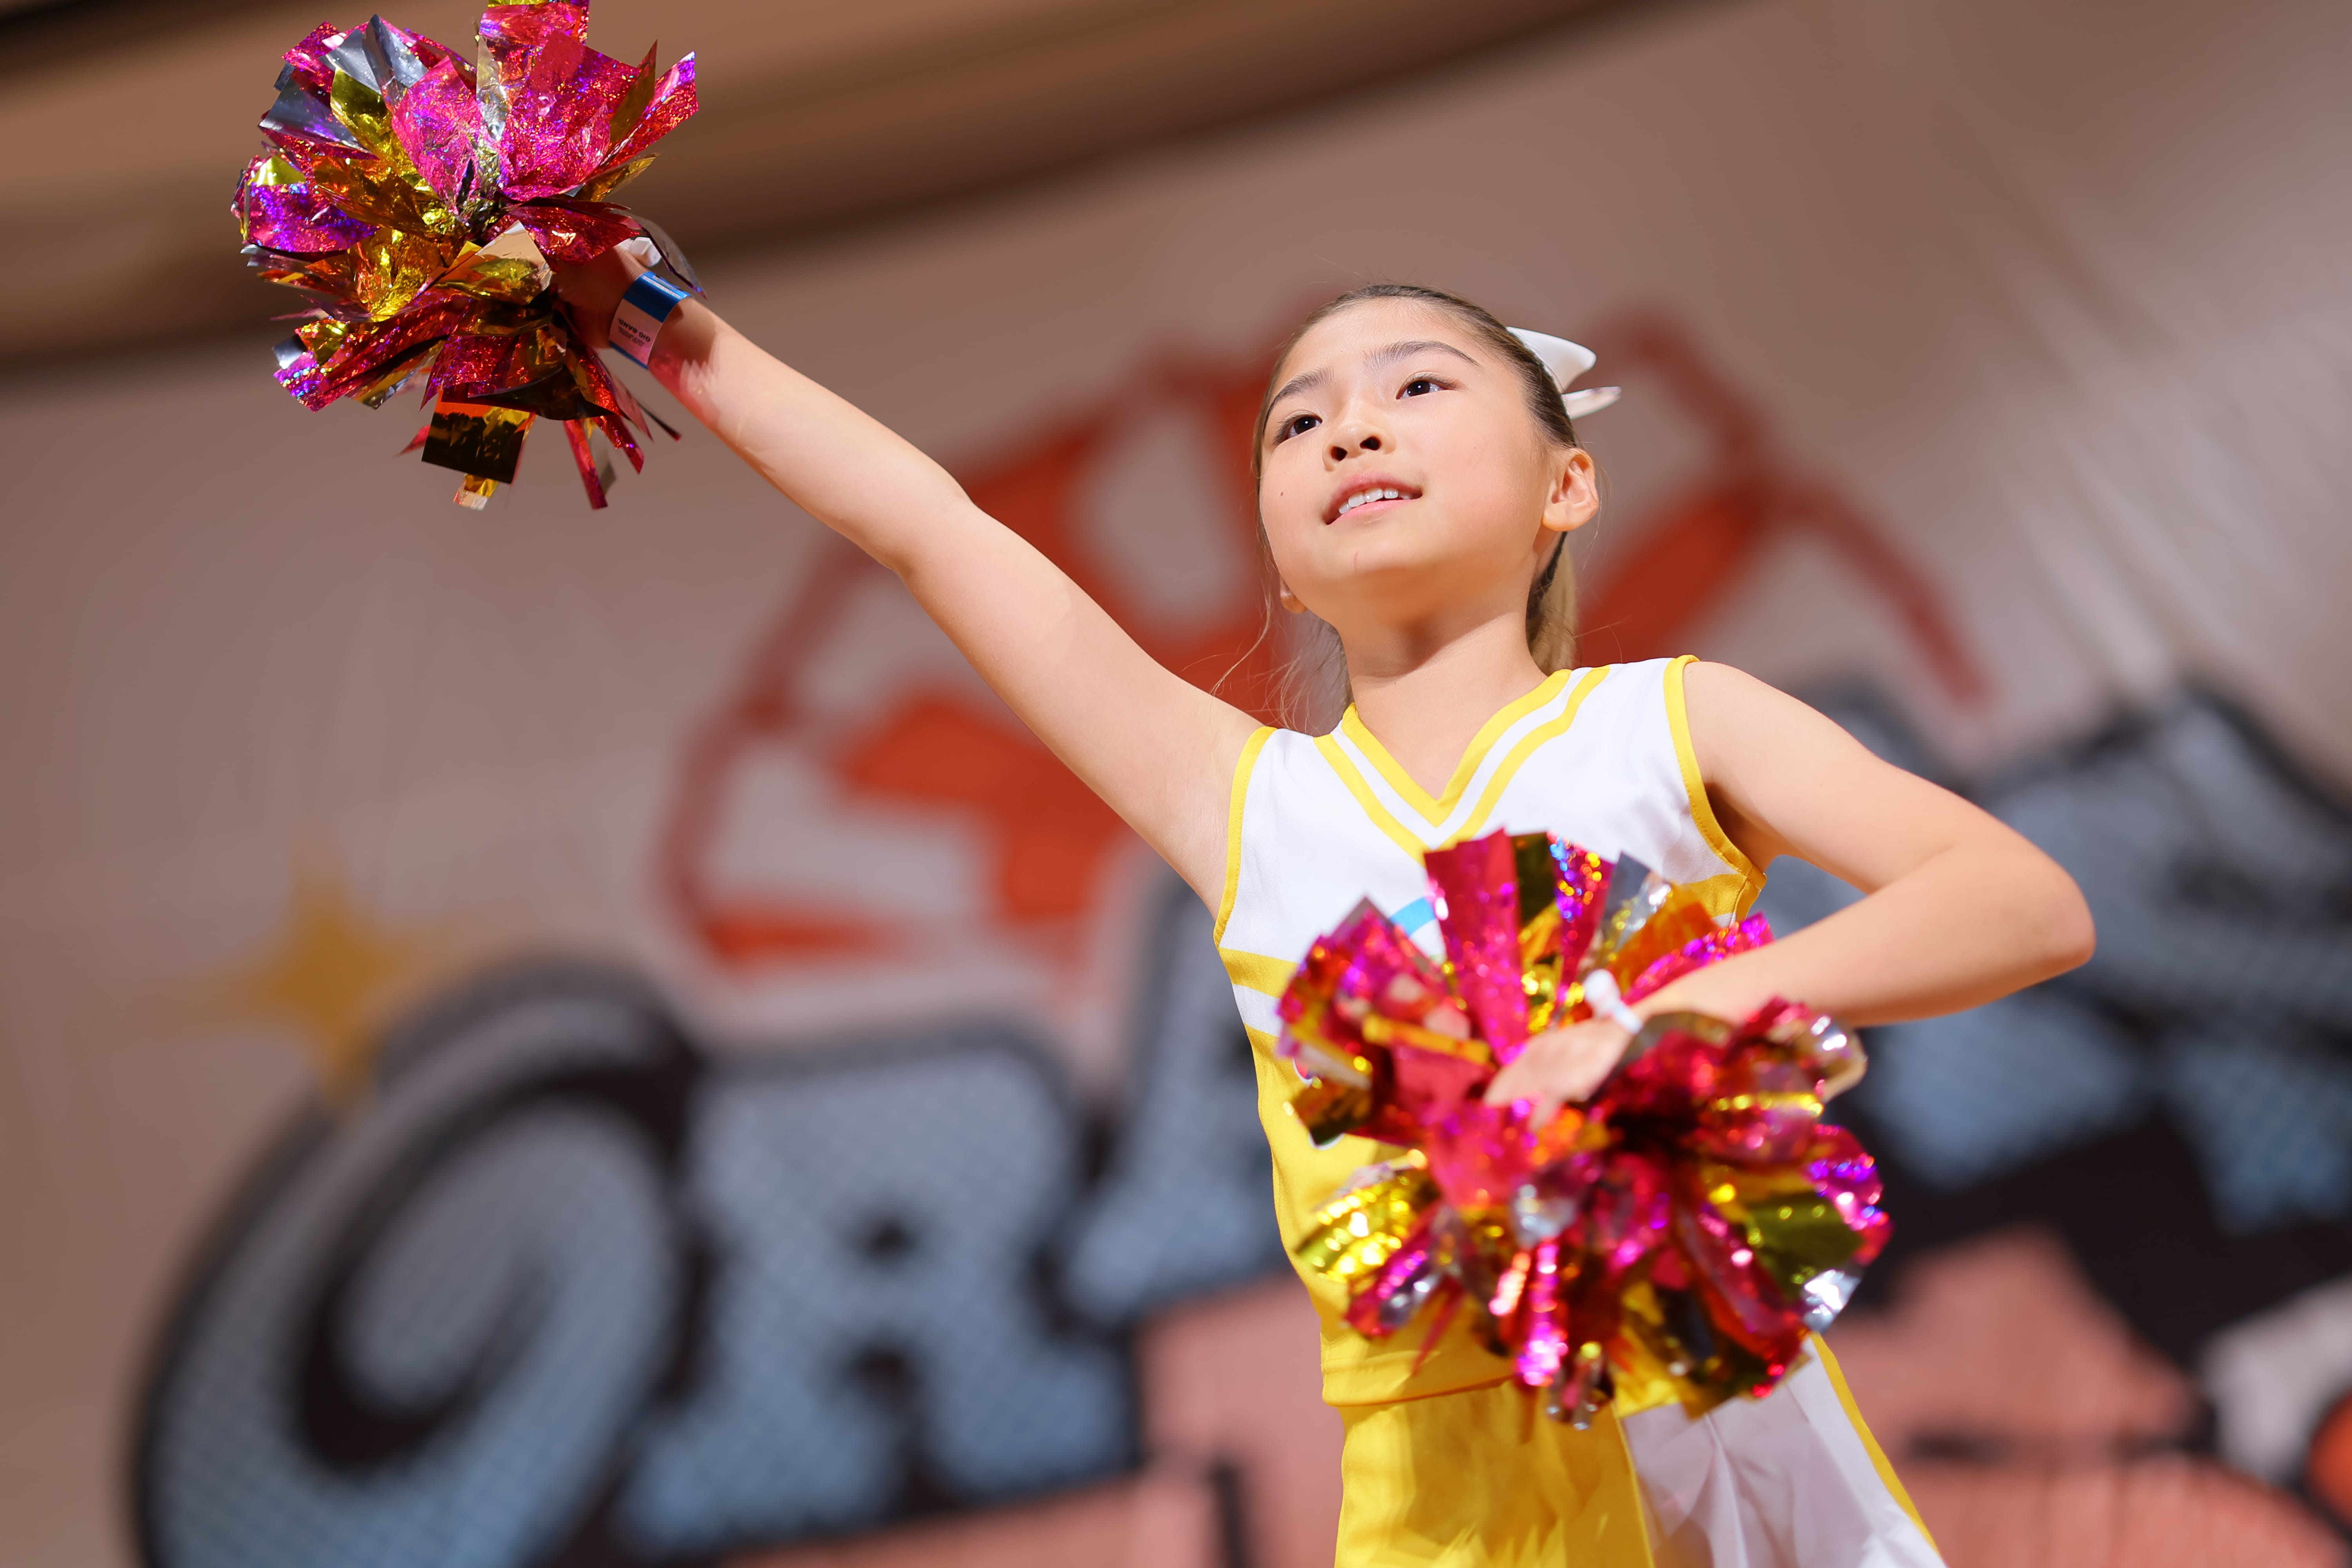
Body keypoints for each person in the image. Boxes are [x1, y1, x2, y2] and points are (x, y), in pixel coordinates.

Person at [551, 260, 2094, 1566]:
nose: (1351, 423)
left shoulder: (1674, 723)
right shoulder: (1247, 806)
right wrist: (656, 322)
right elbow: (927, 527)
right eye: (1298, 420)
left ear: (1567, 486)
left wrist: (1673, 1017)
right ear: (1281, 565)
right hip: (1433, 1499)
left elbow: (2022, 903)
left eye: (1419, 387)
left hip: (1724, 1431)